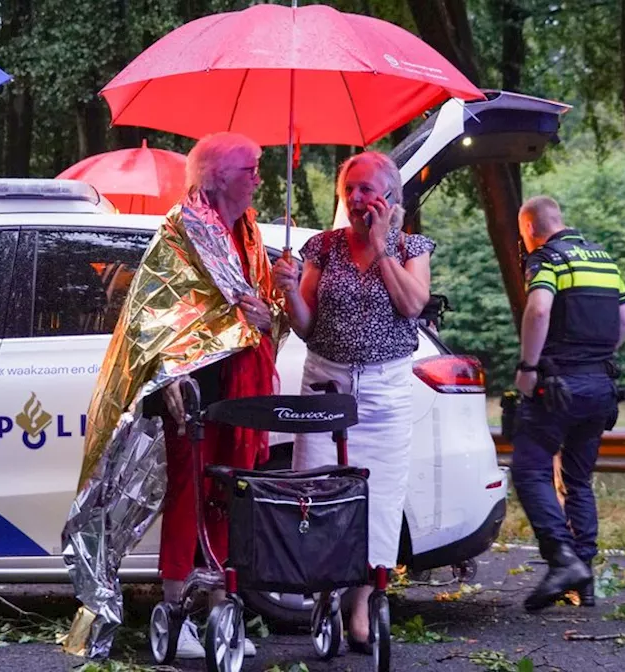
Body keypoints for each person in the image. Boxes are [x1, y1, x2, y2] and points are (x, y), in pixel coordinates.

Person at [79, 132, 288, 659]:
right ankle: (176, 609)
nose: (258, 178)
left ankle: (220, 608)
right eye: (250, 169)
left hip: (242, 384)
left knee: (229, 495)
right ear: (217, 177)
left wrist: (276, 304)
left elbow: (259, 315)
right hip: (191, 389)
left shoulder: (249, 231)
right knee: (188, 495)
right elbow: (152, 320)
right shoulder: (178, 232)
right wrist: (171, 374)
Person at [272, 151, 433, 653]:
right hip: (327, 384)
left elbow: (412, 305)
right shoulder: (323, 247)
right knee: (319, 495)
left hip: (384, 391)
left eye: (367, 189)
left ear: (391, 196)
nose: (357, 199)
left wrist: (382, 247)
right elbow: (306, 324)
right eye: (350, 190)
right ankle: (325, 596)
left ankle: (362, 606)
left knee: (378, 498)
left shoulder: (412, 247)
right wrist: (287, 291)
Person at [509, 196, 625, 613]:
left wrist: (528, 367)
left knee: (529, 469)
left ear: (529, 228)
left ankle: (562, 559)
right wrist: (594, 358)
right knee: (577, 480)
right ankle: (586, 579)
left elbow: (540, 310)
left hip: (558, 386)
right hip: (600, 386)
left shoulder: (547, 259)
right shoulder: (603, 259)